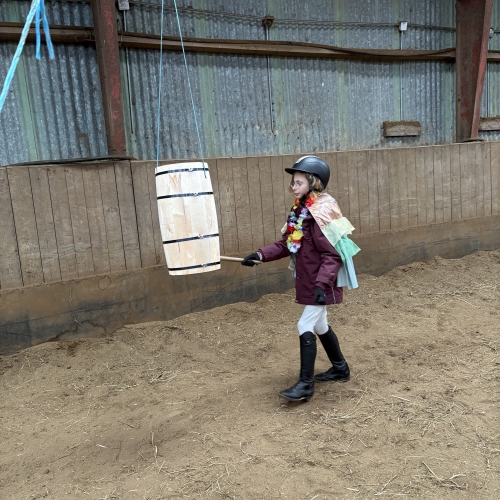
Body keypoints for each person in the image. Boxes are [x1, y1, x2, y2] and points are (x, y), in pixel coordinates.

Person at [241, 155, 360, 402]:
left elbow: (332, 254)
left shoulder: (320, 213)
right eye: (293, 183)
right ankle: (340, 368)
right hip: (309, 279)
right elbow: (287, 244)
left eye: (298, 182)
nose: (293, 187)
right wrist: (260, 255)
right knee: (320, 325)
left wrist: (322, 285)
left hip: (321, 283)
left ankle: (305, 385)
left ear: (314, 183)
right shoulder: (300, 211)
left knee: (304, 325)